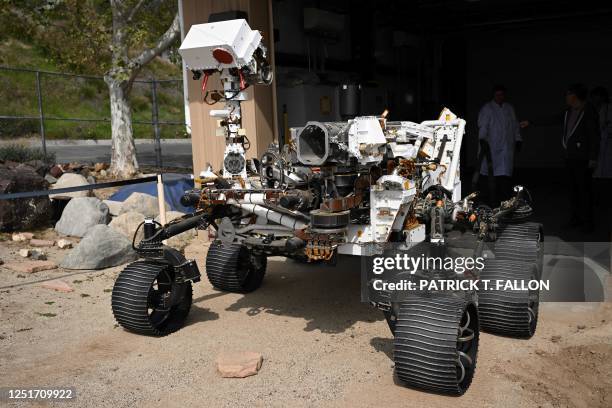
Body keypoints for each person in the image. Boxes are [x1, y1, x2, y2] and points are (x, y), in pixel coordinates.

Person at [523, 84, 600, 231]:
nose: (566, 97)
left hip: (583, 158)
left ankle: (588, 222)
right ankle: (576, 219)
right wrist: (531, 122)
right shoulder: (568, 112)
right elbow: (552, 119)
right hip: (570, 157)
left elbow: (594, 136)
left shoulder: (588, 111)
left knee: (584, 190)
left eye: (568, 94)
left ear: (575, 96)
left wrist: (593, 157)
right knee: (573, 190)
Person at [477, 85, 522, 204]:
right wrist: (482, 141)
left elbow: (514, 125)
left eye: (502, 95)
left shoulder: (509, 108)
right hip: (492, 147)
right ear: (494, 95)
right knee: (490, 176)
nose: (499, 97)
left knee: (505, 176)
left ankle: (505, 201)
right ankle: (490, 202)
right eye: (497, 95)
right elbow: (483, 126)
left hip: (506, 147)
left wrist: (518, 139)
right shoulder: (487, 108)